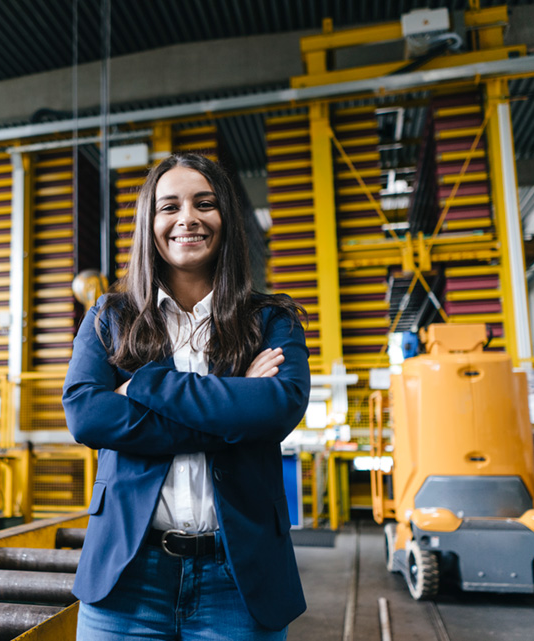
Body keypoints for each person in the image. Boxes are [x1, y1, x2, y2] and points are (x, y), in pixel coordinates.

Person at [62, 152, 310, 640]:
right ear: (149, 224)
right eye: (168, 206)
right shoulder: (111, 316)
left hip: (237, 582)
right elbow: (87, 416)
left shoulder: (270, 320)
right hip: (129, 578)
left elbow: (277, 408)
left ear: (226, 219)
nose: (187, 218)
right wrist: (234, 406)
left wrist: (149, 386)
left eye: (204, 203)